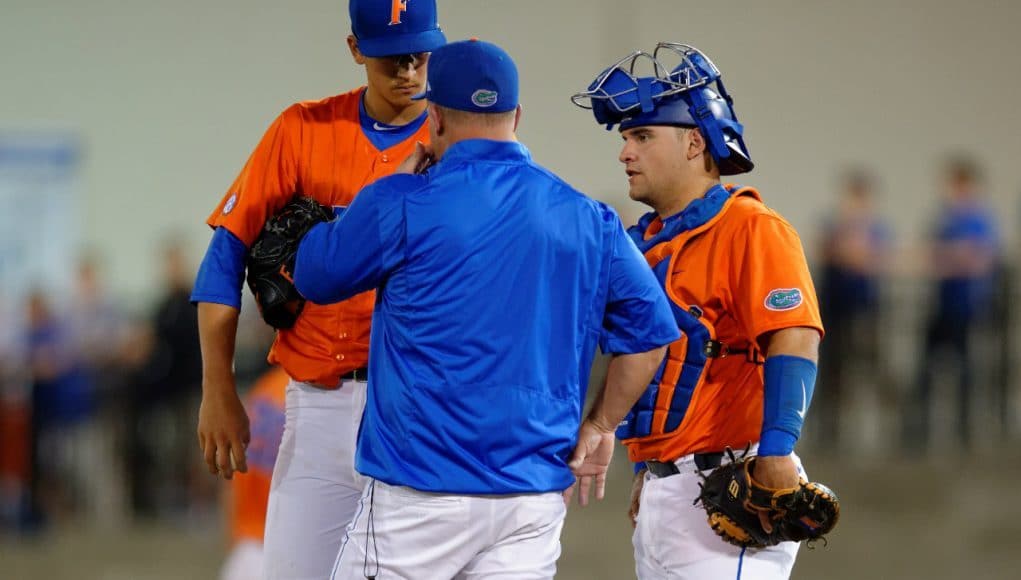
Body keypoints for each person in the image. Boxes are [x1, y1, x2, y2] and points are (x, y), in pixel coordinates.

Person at [291, 39, 679, 579]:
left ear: (435, 120)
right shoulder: (589, 217)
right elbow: (652, 334)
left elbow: (316, 275)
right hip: (531, 501)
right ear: (517, 115)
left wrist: (388, 185)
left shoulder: (404, 201)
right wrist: (601, 424)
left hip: (417, 493)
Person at [191, 1, 446, 577]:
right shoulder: (303, 130)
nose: (408, 70)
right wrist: (217, 388)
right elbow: (224, 256)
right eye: (391, 57)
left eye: (420, 54)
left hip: (418, 405)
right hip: (319, 405)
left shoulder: (455, 139)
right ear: (356, 50)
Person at [572, 43, 825, 579]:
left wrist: (778, 450)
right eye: (625, 139)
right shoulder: (650, 245)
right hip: (668, 490)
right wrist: (651, 470)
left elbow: (795, 337)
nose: (625, 153)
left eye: (641, 136)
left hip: (733, 482)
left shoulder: (751, 228)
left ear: (693, 142)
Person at [905, 156, 1000, 451]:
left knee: (967, 370)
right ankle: (918, 431)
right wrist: (949, 256)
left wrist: (948, 257)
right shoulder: (945, 220)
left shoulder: (979, 219)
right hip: (943, 305)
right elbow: (929, 255)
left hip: (968, 307)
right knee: (926, 368)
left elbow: (977, 260)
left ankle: (965, 430)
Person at [815, 169, 891, 451]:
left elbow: (867, 258)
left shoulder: (877, 228)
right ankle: (830, 432)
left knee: (866, 370)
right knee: (832, 373)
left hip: (864, 312)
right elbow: (833, 253)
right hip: (834, 311)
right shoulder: (833, 225)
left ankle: (870, 433)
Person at [220, 366, 288, 580]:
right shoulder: (321, 390)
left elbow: (231, 476)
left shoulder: (265, 388)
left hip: (247, 549)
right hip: (292, 550)